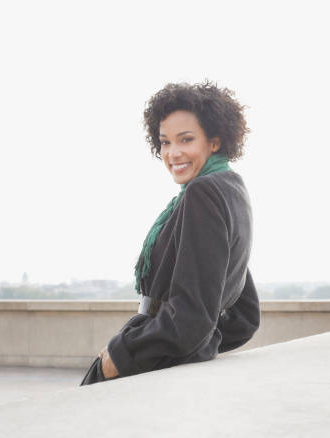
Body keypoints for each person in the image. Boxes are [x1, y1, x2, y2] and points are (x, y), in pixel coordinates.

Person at [80, 81, 260, 385]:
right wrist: (203, 344)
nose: (173, 153)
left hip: (155, 361)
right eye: (165, 142)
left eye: (186, 139)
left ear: (214, 142)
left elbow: (191, 316)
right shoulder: (231, 188)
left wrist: (123, 353)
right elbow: (246, 316)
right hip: (176, 359)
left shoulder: (203, 193)